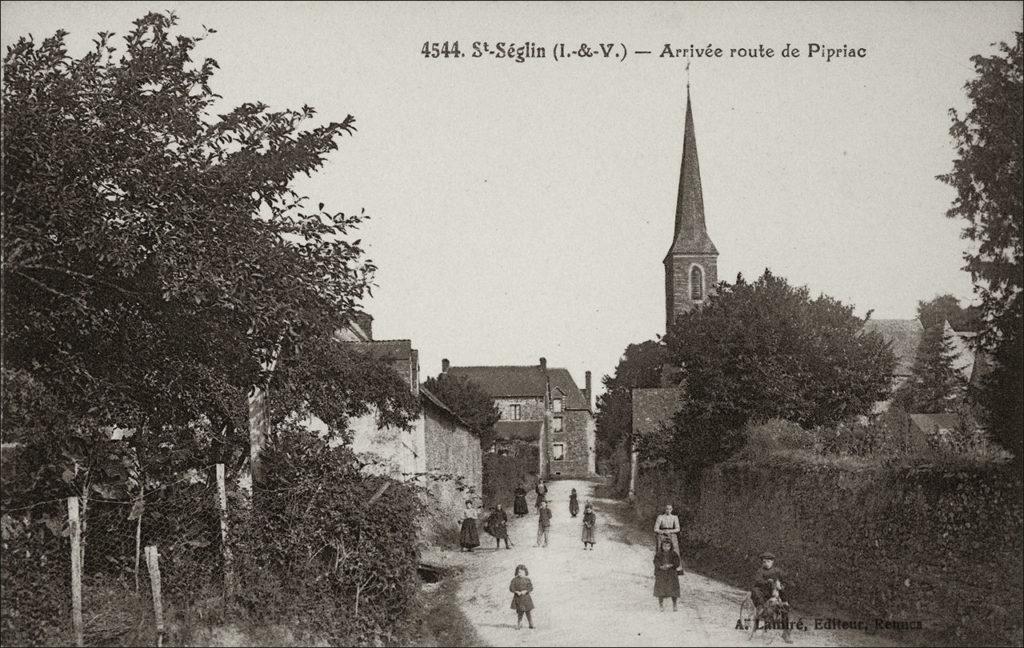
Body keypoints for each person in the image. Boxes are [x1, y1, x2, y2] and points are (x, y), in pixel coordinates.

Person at [750, 551, 792, 643]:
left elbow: (786, 580)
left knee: (784, 608)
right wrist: (767, 582)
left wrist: (781, 585)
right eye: (764, 562)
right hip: (763, 592)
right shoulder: (760, 571)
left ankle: (786, 633)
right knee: (755, 590)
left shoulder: (778, 571)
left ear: (772, 562)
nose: (766, 563)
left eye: (768, 561)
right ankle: (760, 608)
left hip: (774, 591)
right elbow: (757, 581)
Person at [653, 537, 681, 611]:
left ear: (671, 546)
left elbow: (677, 563)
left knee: (673, 589)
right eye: (664, 546)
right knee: (661, 589)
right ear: (661, 546)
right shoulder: (658, 554)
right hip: (661, 573)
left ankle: (674, 604)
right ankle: (661, 605)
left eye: (668, 546)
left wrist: (670, 565)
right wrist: (660, 566)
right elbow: (655, 562)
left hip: (671, 574)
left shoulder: (674, 554)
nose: (666, 548)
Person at [509, 564, 535, 630]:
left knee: (528, 612)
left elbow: (531, 587)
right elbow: (511, 588)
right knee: (520, 612)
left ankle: (531, 624)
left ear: (525, 572)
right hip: (518, 599)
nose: (520, 573)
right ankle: (519, 624)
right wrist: (516, 591)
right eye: (518, 572)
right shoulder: (514, 580)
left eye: (521, 572)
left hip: (526, 598)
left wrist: (525, 591)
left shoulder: (527, 579)